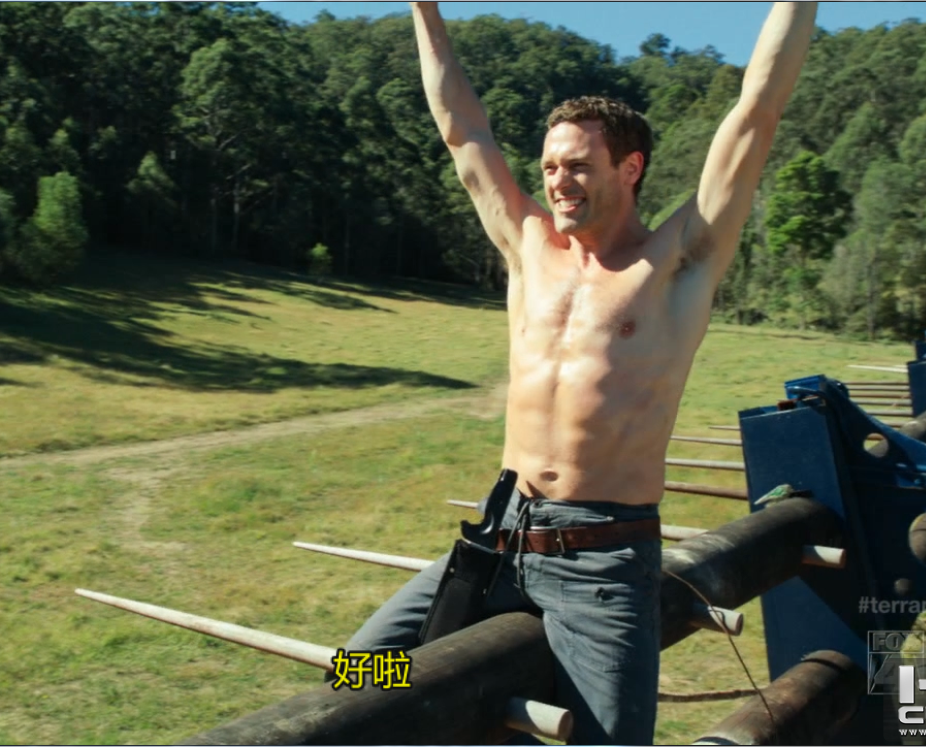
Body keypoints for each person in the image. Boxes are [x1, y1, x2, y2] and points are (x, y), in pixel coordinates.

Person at [339, 2, 819, 744]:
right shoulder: (528, 246)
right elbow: (462, 128)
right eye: (550, 167)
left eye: (577, 166)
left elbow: (756, 112)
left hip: (601, 561)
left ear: (630, 168)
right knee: (357, 679)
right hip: (499, 540)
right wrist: (422, 7)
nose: (558, 182)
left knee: (609, 741)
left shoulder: (674, 262)